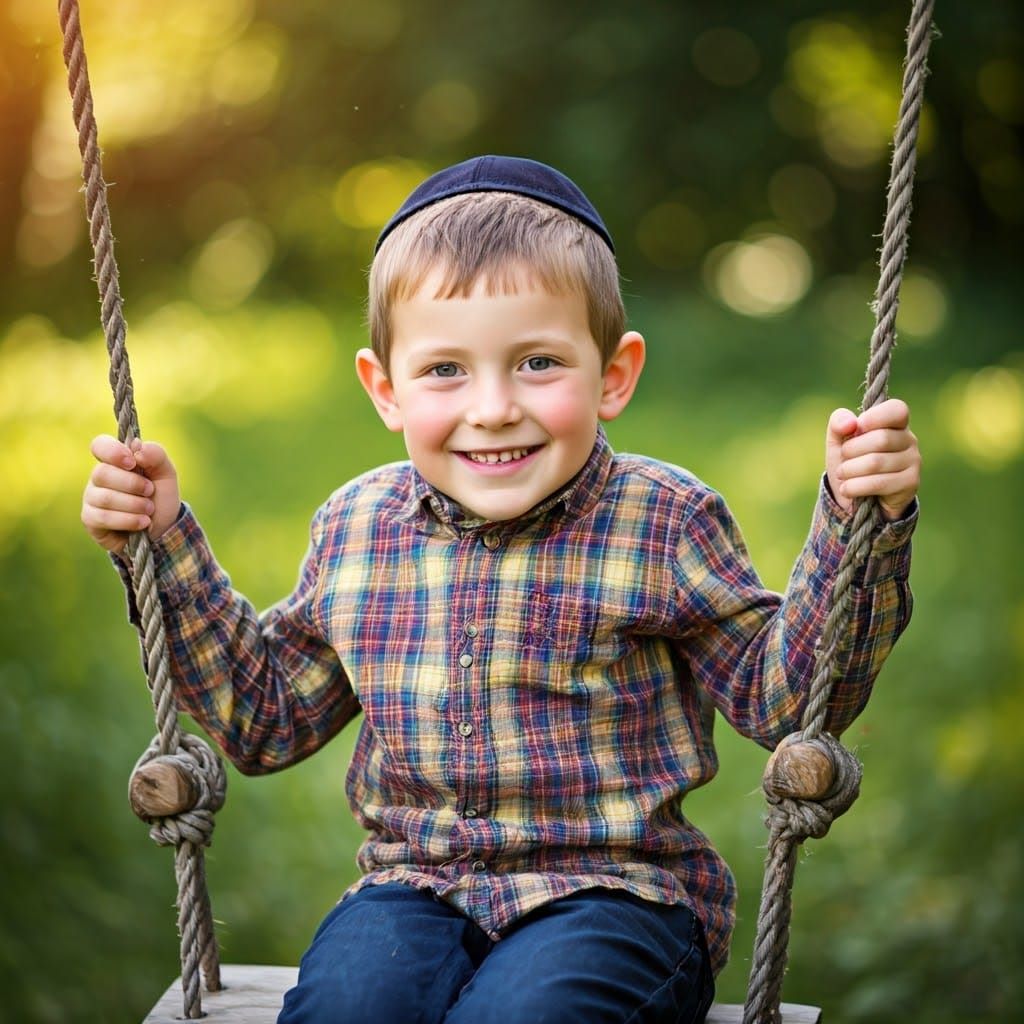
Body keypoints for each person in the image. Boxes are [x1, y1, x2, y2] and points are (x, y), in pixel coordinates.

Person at [81, 156, 920, 1024]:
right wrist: (164, 546)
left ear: (614, 374)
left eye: (537, 362)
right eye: (445, 370)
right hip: (414, 887)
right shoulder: (357, 528)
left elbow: (783, 699)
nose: (491, 407)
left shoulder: (661, 521)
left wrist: (862, 524)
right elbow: (265, 719)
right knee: (347, 1006)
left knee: (525, 1016)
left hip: (618, 896)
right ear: (385, 388)